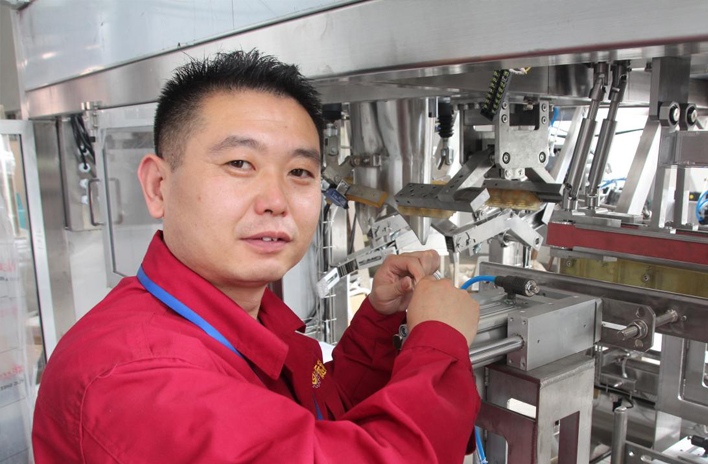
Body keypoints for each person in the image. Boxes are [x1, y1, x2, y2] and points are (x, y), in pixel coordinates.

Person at [32, 50, 481, 463]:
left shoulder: (250, 314)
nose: (276, 201)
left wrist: (379, 322)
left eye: (299, 171)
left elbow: (319, 421)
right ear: (158, 187)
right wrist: (439, 341)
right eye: (239, 164)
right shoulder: (137, 380)